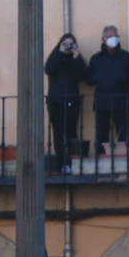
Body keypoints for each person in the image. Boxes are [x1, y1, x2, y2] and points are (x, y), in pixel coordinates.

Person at [87, 26, 129, 158]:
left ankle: (123, 160)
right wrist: (100, 78)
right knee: (102, 134)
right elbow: (89, 79)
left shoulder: (127, 57)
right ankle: (101, 159)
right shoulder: (96, 58)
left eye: (115, 36)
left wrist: (122, 78)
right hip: (102, 102)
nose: (112, 39)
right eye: (109, 36)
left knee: (123, 133)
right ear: (103, 39)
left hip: (121, 101)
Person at [44, 32, 88, 173]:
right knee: (58, 135)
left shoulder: (75, 59)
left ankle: (71, 163)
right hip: (55, 102)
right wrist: (60, 52)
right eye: (65, 43)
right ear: (60, 44)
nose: (68, 46)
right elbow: (49, 69)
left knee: (71, 133)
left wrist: (76, 57)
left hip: (71, 102)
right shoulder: (55, 56)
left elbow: (82, 75)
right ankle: (60, 164)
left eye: (71, 44)